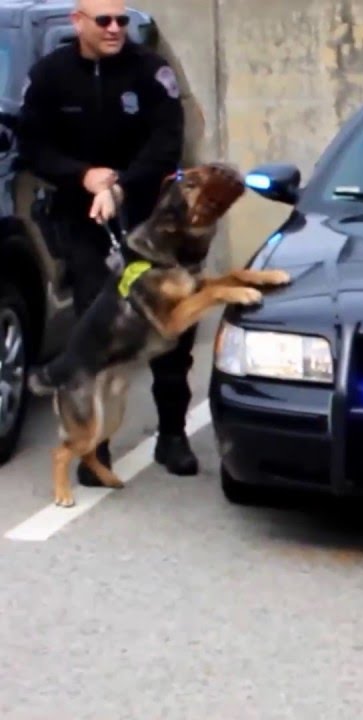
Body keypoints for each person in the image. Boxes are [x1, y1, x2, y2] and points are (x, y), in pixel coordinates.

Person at [17, 0, 196, 481]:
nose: (117, 29)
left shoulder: (151, 72)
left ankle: (173, 434)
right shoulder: (51, 75)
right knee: (95, 327)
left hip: (151, 216)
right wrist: (84, 177)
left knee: (171, 325)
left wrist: (120, 184)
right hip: (82, 219)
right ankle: (97, 447)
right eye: (105, 21)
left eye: (122, 21)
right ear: (79, 23)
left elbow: (167, 141)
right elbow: (33, 146)